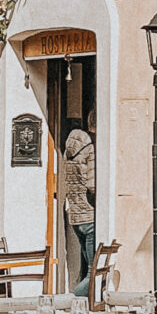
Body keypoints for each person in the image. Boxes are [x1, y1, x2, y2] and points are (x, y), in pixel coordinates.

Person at [62, 119, 96, 291]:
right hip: (89, 215)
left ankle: (80, 301)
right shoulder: (89, 149)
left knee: (88, 269)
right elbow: (92, 185)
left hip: (75, 217)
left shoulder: (68, 151)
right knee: (93, 272)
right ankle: (72, 301)